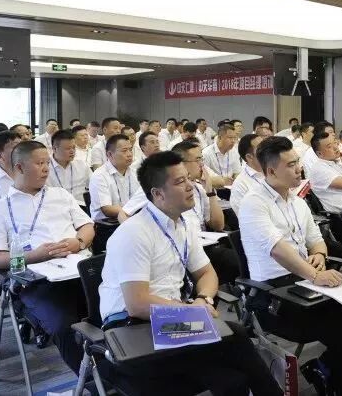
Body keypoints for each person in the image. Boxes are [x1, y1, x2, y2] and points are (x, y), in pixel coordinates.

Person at [96, 151, 282, 396]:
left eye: (188, 178)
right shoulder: (133, 233)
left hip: (171, 320)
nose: (190, 186)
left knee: (232, 372)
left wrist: (203, 300)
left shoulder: (181, 225)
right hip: (132, 328)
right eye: (179, 181)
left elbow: (207, 273)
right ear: (158, 194)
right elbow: (137, 304)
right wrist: (190, 311)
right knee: (233, 343)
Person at [239, 136, 342, 395]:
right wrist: (314, 275)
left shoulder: (297, 201)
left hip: (305, 280)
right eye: (291, 165)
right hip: (273, 292)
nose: (299, 169)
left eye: (298, 162)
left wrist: (318, 254)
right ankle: (338, 384)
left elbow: (317, 240)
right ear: (271, 171)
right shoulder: (254, 203)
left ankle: (323, 367)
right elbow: (278, 249)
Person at [0, 141, 93, 373]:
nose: (46, 169)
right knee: (64, 327)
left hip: (78, 270)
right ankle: (94, 382)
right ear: (19, 167)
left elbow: (87, 226)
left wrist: (79, 242)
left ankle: (117, 375)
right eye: (39, 163)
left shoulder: (60, 195)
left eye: (47, 163)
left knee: (112, 315)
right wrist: (34, 256)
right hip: (39, 280)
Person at [172, 141, 240, 284]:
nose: (202, 164)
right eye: (198, 160)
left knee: (243, 253)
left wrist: (210, 191)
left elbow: (218, 225)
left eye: (202, 159)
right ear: (181, 164)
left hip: (206, 244)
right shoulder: (166, 189)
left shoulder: (199, 187)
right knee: (237, 260)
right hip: (185, 248)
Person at [89, 135, 140, 253]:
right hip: (107, 228)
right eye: (124, 151)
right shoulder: (99, 175)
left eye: (130, 150)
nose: (129, 154)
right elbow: (107, 209)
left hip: (132, 221)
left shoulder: (134, 173)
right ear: (109, 154)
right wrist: (132, 212)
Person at [309, 132, 342, 213]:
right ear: (319, 153)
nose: (335, 148)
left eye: (335, 143)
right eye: (329, 146)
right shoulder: (319, 169)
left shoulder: (338, 162)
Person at [46, 129, 92, 206]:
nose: (72, 151)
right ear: (54, 149)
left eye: (74, 148)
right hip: (56, 207)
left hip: (81, 207)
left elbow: (95, 186)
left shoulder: (82, 165)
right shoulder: (45, 168)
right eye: (68, 148)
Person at [230, 133, 266, 214]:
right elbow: (246, 216)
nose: (267, 150)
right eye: (261, 148)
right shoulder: (240, 185)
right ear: (249, 157)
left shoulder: (274, 171)